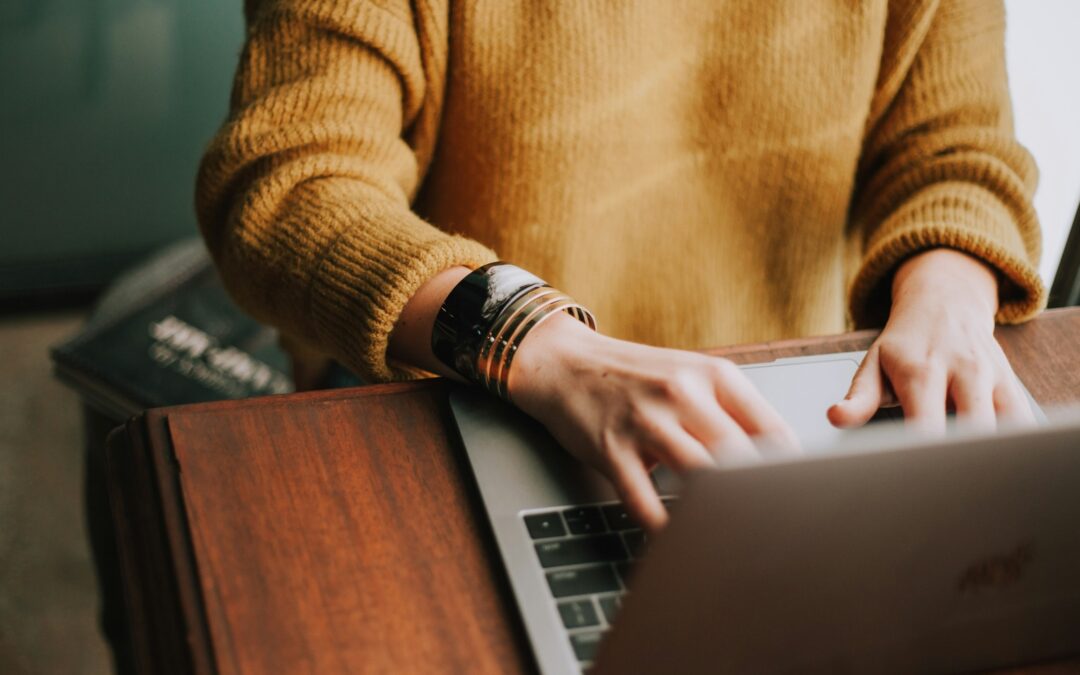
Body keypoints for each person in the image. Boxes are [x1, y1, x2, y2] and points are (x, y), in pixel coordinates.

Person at [196, 0, 1045, 530]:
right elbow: (288, 183)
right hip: (464, 397)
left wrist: (950, 291)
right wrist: (538, 343)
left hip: (786, 422)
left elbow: (957, 148)